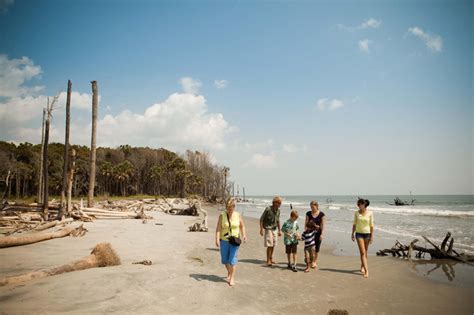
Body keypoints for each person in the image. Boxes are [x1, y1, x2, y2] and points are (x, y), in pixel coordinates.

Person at [215, 198, 247, 286]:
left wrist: (244, 235)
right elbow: (218, 228)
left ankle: (232, 278)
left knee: (232, 259)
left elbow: (242, 226)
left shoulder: (238, 215)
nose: (229, 210)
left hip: (234, 240)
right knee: (225, 260)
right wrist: (217, 239)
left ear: (234, 207)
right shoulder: (222, 215)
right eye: (228, 208)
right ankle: (229, 271)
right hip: (224, 240)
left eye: (231, 208)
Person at [351, 198, 374, 278]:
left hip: (367, 234)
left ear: (364, 205)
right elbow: (354, 224)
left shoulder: (370, 213)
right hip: (359, 234)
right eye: (358, 204)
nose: (358, 206)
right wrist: (352, 234)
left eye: (360, 204)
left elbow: (371, 225)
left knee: (365, 252)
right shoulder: (356, 213)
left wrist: (372, 236)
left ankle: (362, 266)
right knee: (363, 252)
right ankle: (367, 271)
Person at [259, 196, 282, 266]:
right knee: (269, 244)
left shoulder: (278, 210)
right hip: (268, 228)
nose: (280, 204)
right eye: (279, 203)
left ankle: (271, 258)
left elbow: (278, 221)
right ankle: (268, 260)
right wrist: (261, 229)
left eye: (280, 203)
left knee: (273, 244)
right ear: (275, 202)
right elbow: (261, 219)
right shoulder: (268, 209)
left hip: (274, 228)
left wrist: (279, 230)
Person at [304, 201, 325, 269]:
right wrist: (305, 232)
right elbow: (306, 223)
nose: (312, 208)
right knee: (311, 247)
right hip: (310, 234)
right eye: (311, 207)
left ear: (316, 206)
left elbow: (322, 225)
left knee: (317, 248)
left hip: (318, 233)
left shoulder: (321, 214)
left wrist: (322, 234)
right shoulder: (308, 213)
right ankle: (311, 260)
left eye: (313, 207)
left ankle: (314, 261)